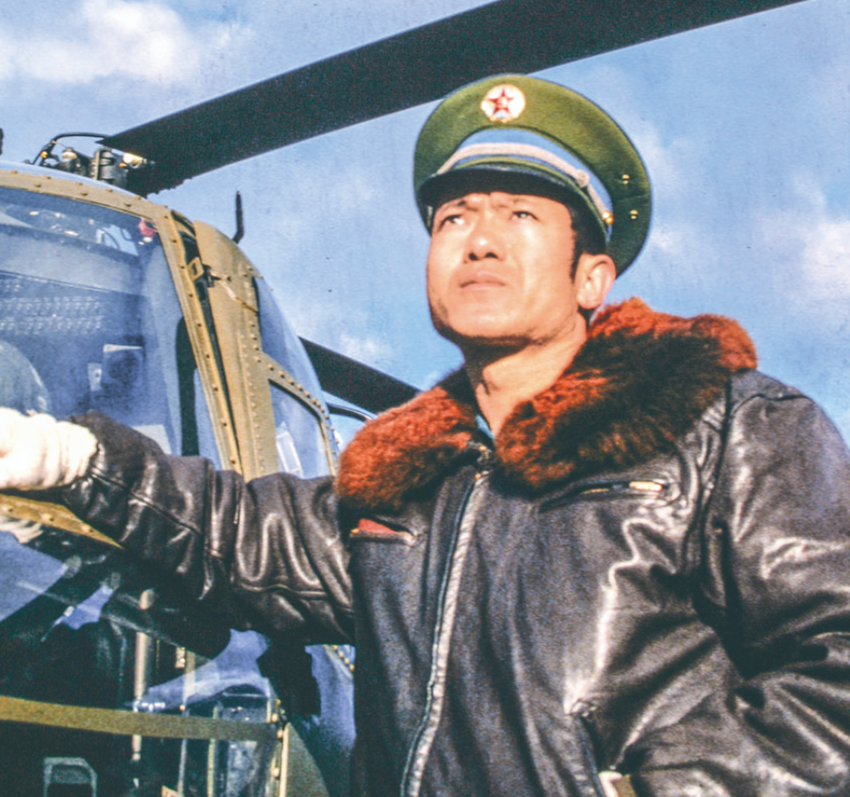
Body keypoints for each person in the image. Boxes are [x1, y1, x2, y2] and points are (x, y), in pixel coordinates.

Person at [2, 74, 850, 797]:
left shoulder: (729, 428)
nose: (479, 241)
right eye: (454, 219)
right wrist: (74, 457)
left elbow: (834, 676)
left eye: (521, 215)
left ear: (593, 275)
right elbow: (243, 535)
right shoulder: (411, 490)